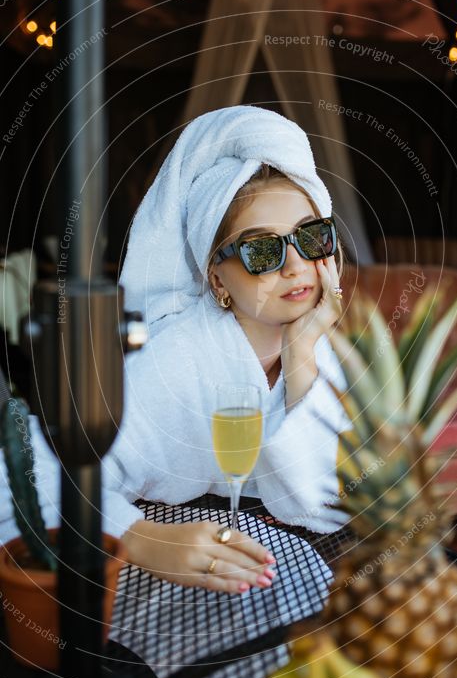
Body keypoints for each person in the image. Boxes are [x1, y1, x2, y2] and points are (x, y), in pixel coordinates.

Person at [0, 105, 353, 594]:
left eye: (311, 237)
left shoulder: (317, 347)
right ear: (217, 277)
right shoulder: (178, 362)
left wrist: (300, 359)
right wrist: (141, 538)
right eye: (263, 250)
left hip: (256, 562)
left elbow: (321, 505)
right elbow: (34, 469)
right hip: (134, 576)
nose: (295, 265)